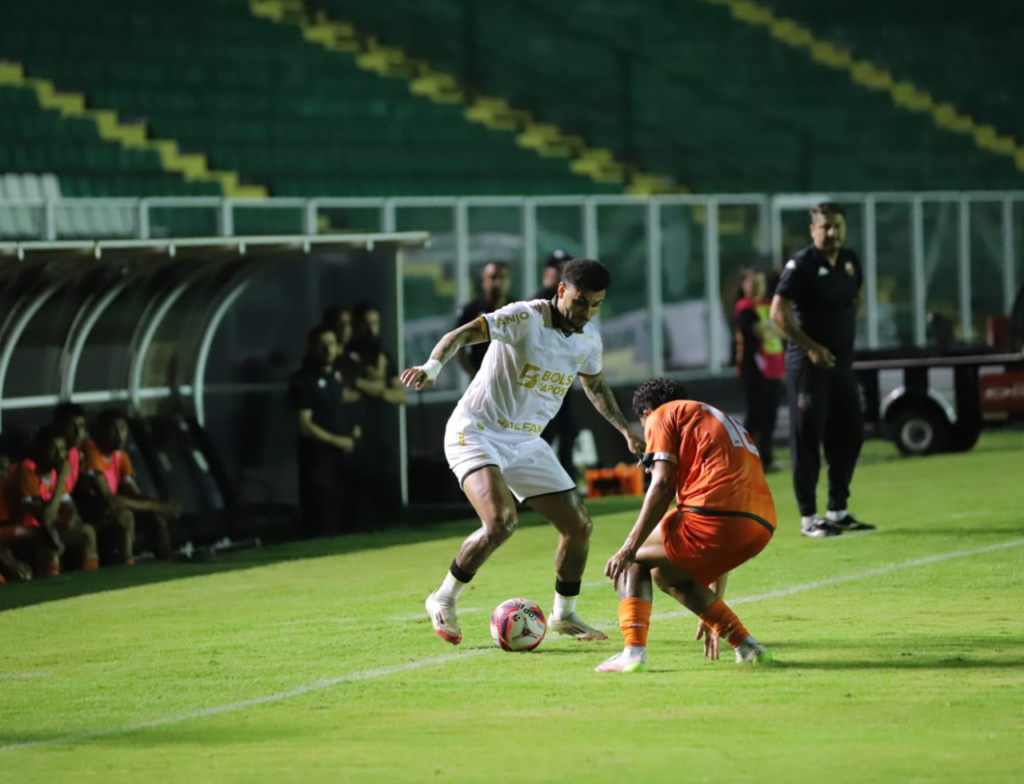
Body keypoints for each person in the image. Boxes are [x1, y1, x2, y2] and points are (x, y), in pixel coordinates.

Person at [402, 258, 646, 645]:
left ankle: (564, 615)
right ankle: (443, 597)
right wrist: (433, 366)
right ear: (561, 290)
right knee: (501, 522)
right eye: (581, 301)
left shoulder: (588, 339)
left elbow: (596, 387)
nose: (586, 312)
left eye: (596, 304)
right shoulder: (524, 317)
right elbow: (464, 334)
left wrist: (626, 432)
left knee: (579, 526)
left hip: (526, 442)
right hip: (476, 431)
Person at [598, 378, 775, 672]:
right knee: (669, 577)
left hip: (717, 517)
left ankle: (632, 653)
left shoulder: (660, 416)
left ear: (645, 415)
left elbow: (662, 484)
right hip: (760, 526)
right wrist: (713, 608)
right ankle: (747, 646)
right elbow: (720, 543)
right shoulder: (712, 421)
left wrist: (628, 547)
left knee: (635, 558)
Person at [769, 202, 874, 538]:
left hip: (841, 362)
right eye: (825, 227)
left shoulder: (849, 260)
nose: (832, 233)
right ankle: (809, 518)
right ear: (813, 230)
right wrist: (812, 347)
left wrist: (842, 333)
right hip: (807, 365)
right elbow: (777, 313)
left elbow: (859, 296)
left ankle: (838, 510)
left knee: (852, 431)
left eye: (838, 226)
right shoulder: (800, 265)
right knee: (807, 437)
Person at [288, 325, 363, 537]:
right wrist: (338, 441)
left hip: (344, 458)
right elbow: (305, 424)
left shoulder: (338, 376)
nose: (328, 349)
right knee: (323, 518)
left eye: (331, 344)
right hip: (318, 461)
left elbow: (346, 403)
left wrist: (354, 428)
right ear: (311, 347)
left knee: (349, 514)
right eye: (322, 345)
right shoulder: (303, 380)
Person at [82, 410, 178, 561]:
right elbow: (109, 499)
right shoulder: (91, 450)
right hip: (92, 511)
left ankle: (168, 561)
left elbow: (133, 493)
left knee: (155, 518)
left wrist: (160, 506)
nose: (120, 434)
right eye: (113, 429)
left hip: (110, 508)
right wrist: (154, 505)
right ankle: (126, 563)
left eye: (122, 428)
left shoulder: (121, 456)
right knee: (125, 515)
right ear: (101, 431)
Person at [1, 426, 99, 575]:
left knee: (87, 532)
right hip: (12, 526)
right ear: (40, 450)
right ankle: (51, 591)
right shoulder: (27, 470)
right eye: (54, 450)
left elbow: (68, 506)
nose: (60, 455)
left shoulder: (54, 470)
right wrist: (61, 479)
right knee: (50, 541)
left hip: (40, 527)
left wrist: (71, 520)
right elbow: (44, 517)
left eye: (62, 449)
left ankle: (91, 584)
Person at [732, 267, 785, 471]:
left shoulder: (767, 306)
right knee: (755, 415)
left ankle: (767, 457)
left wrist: (777, 329)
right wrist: (777, 329)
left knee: (770, 415)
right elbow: (763, 331)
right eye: (751, 283)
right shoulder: (744, 308)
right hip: (753, 369)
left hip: (773, 367)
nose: (755, 287)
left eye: (758, 282)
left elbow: (782, 329)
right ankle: (748, 458)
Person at [535, 251, 580, 483]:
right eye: (558, 268)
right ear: (547, 272)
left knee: (567, 431)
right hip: (540, 385)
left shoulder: (569, 304)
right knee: (544, 434)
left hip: (561, 381)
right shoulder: (539, 303)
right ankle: (541, 483)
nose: (564, 273)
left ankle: (567, 481)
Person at [454, 261, 512, 379]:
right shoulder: (471, 310)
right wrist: (474, 374)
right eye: (493, 277)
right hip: (482, 378)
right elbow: (458, 346)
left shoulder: (517, 309)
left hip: (510, 379)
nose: (498, 282)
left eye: (502, 277)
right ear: (483, 281)